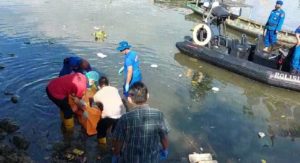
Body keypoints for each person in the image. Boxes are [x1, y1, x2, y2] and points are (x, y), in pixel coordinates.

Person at [112, 82, 169, 163]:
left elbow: (118, 141)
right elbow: (164, 137)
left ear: (129, 99)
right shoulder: (159, 114)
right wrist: (165, 149)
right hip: (152, 159)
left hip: (130, 159)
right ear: (148, 96)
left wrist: (116, 154)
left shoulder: (124, 118)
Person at [93, 76, 126, 144]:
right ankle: (115, 143)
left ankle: (102, 146)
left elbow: (99, 107)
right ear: (109, 84)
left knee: (100, 129)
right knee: (116, 131)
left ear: (99, 86)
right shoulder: (114, 89)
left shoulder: (97, 94)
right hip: (122, 114)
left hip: (109, 115)